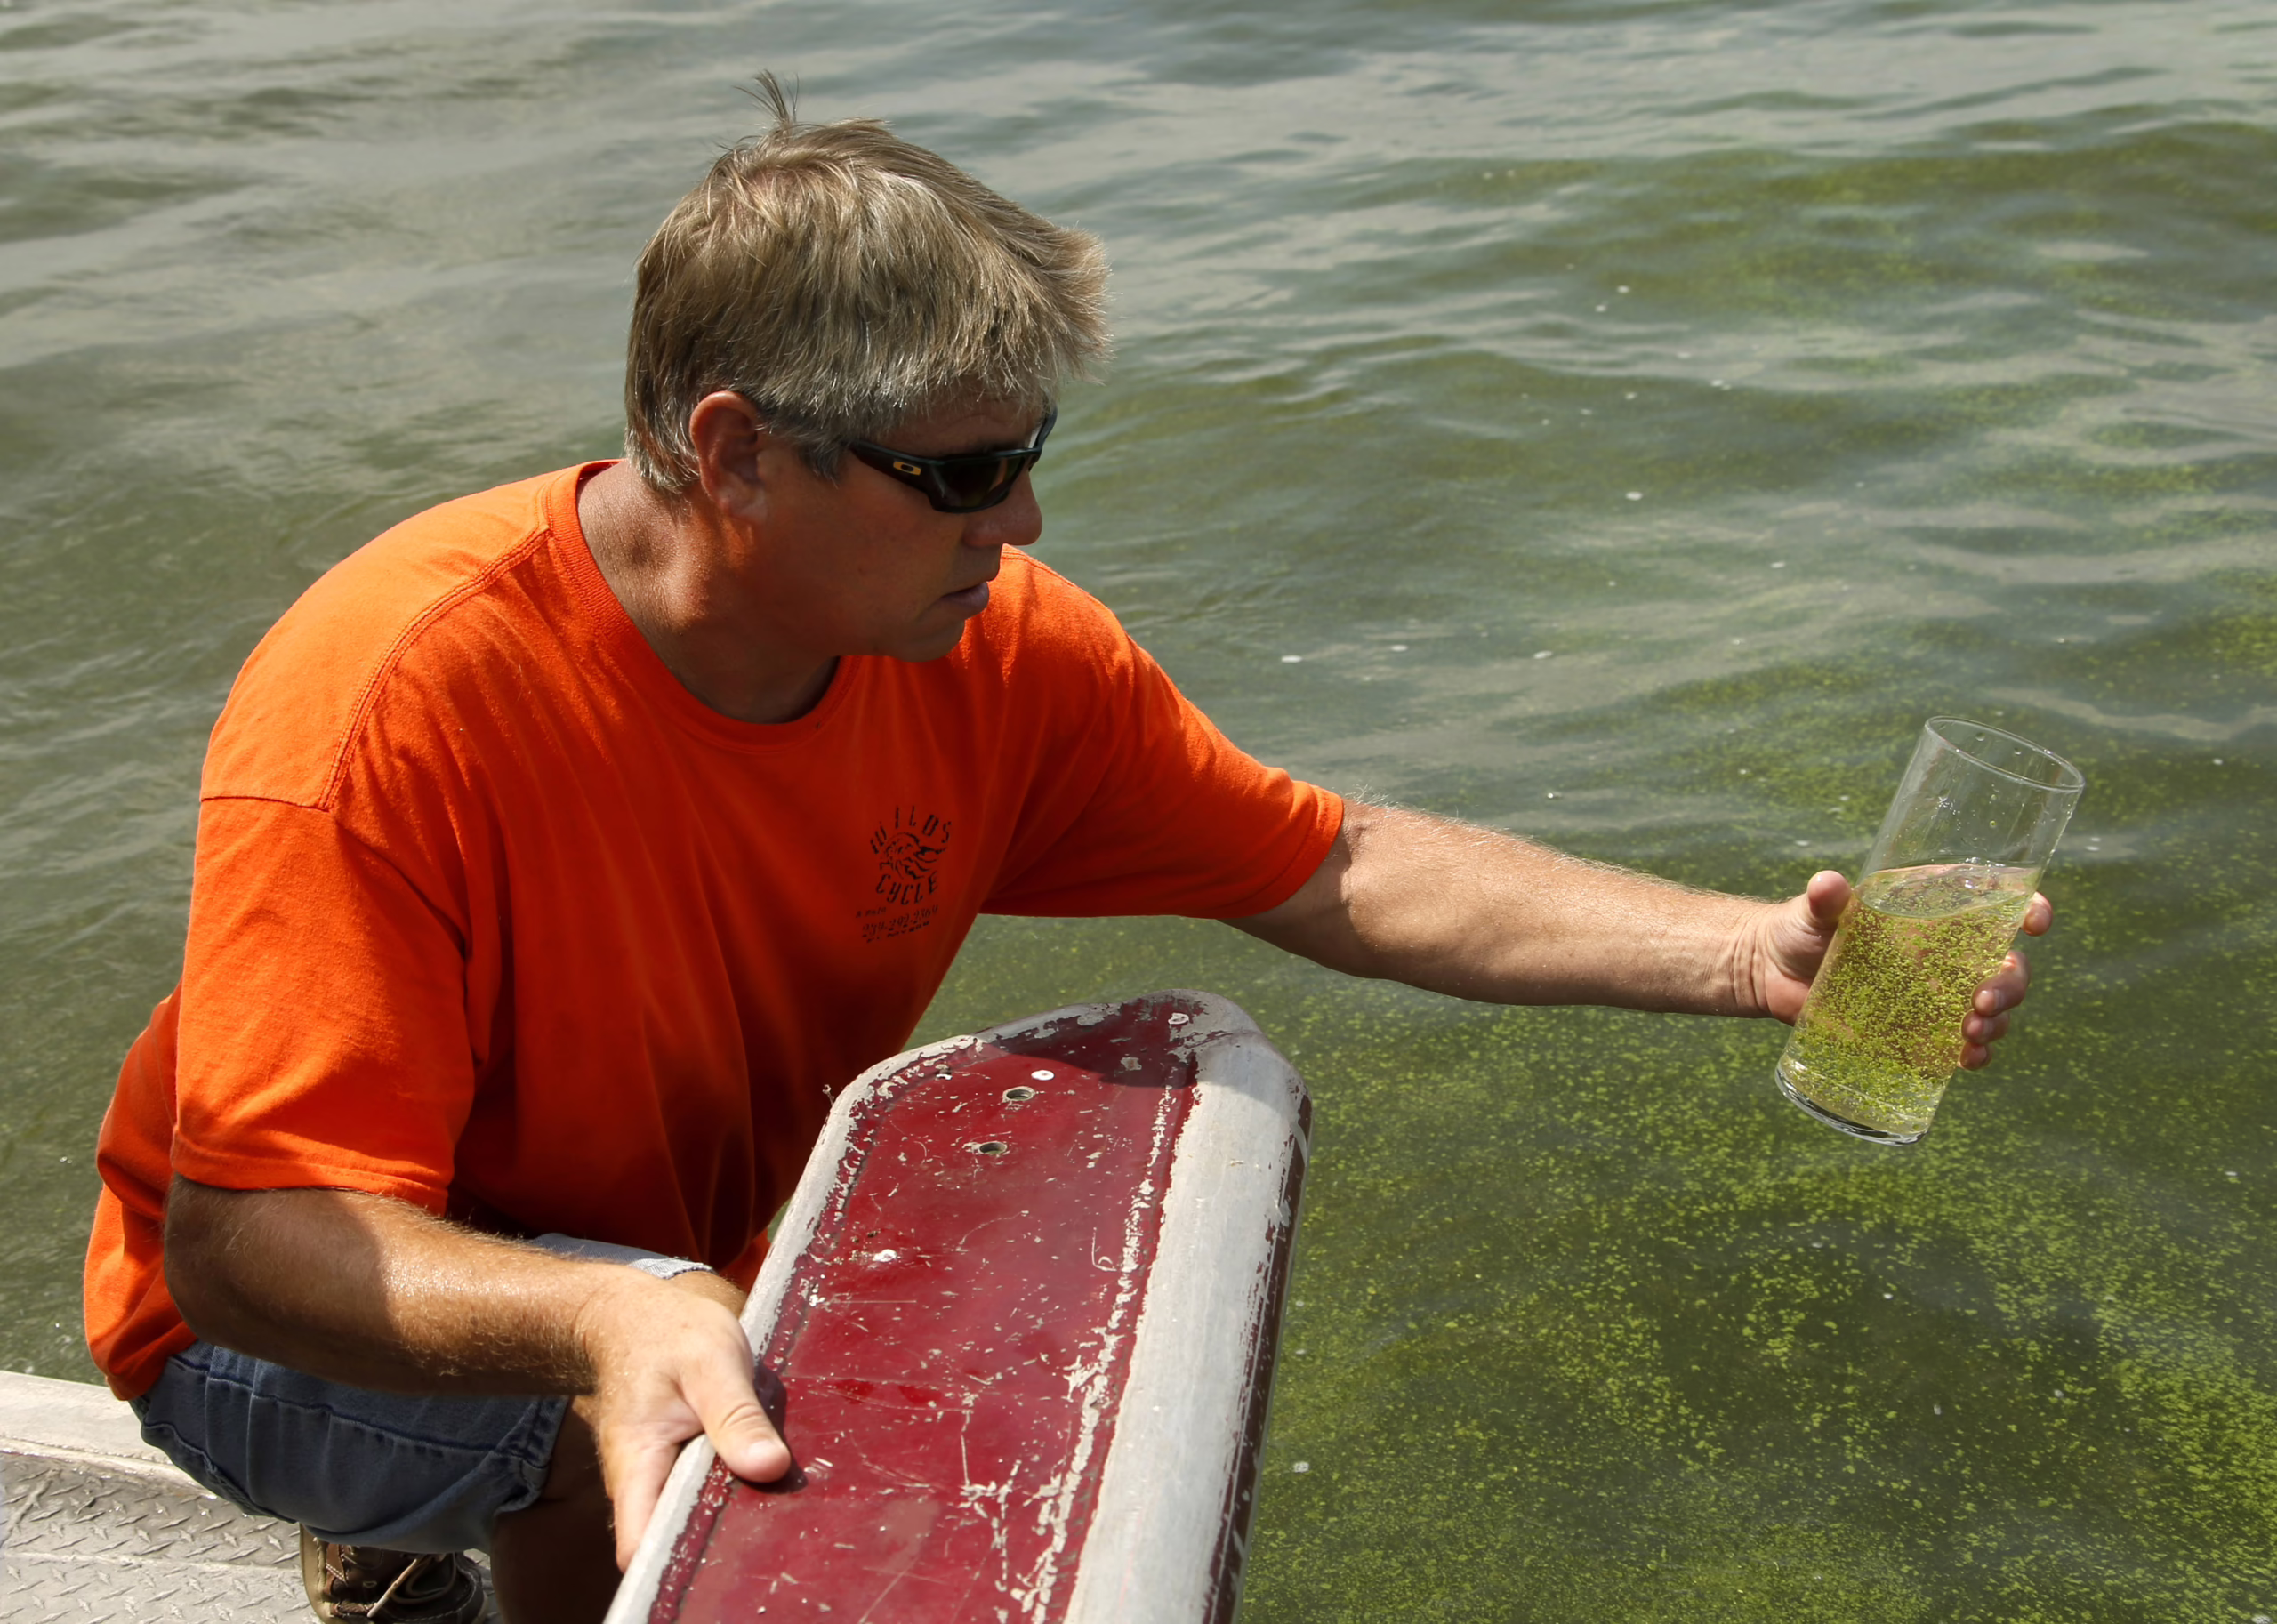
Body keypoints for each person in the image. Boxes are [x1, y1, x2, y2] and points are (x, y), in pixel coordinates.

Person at [81, 81, 2047, 1624]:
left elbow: (1333, 866)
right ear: (740, 452)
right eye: (959, 474)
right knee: (657, 1349)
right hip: (261, 1343)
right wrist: (598, 1317)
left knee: (712, 1310)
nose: (1014, 523)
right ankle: (445, 1503)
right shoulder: (392, 701)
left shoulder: (989, 655)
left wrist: (1741, 956)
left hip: (635, 1248)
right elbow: (249, 1242)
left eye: (1032, 458)